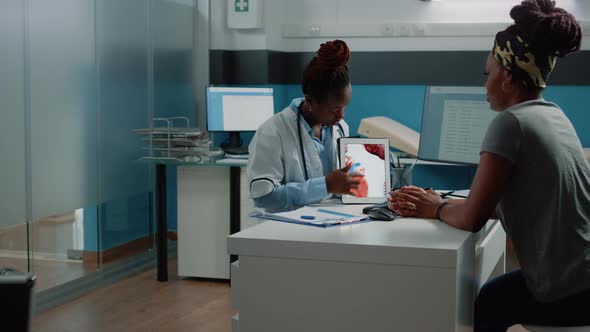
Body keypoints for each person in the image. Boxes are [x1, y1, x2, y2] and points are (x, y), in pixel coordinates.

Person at [388, 0, 590, 330]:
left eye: (488, 74)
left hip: (565, 294)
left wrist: (437, 209)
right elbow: (517, 201)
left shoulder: (510, 123)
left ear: (508, 78)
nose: (484, 84)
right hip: (584, 280)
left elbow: (473, 219)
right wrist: (444, 201)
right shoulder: (555, 115)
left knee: (490, 301)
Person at [247, 40, 363, 212]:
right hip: (285, 228)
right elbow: (265, 198)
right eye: (335, 110)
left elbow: (338, 188)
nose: (342, 116)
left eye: (345, 107)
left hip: (331, 219)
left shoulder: (340, 128)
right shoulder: (272, 132)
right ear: (310, 101)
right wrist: (325, 185)